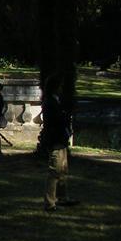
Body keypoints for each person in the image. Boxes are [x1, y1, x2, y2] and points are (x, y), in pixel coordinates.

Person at [41, 75, 79, 212]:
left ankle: (62, 197)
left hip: (60, 139)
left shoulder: (54, 101)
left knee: (62, 170)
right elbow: (54, 122)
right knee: (54, 171)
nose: (61, 89)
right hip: (55, 140)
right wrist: (64, 117)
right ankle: (50, 203)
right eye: (60, 86)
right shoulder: (50, 102)